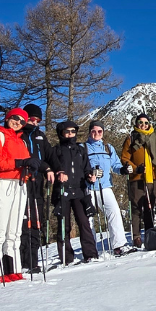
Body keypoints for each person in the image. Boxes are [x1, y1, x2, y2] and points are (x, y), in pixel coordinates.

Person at [0, 108, 47, 283]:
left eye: (22, 121)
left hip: (20, 184)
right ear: (8, 118)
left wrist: (31, 170)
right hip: (2, 183)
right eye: (15, 118)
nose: (18, 122)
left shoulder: (20, 140)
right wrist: (20, 163)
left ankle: (13, 270)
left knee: (14, 231)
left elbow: (28, 160)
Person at [50, 120, 98, 264]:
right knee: (64, 224)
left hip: (79, 190)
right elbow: (51, 168)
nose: (70, 134)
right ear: (61, 133)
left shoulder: (81, 149)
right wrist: (58, 173)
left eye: (73, 131)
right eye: (67, 131)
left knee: (84, 222)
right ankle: (66, 257)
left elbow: (86, 168)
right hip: (62, 191)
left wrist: (90, 176)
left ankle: (90, 254)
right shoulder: (56, 150)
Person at [85, 120, 136, 256]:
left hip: (105, 186)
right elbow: (80, 167)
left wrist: (123, 170)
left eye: (99, 131)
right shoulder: (84, 148)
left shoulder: (108, 148)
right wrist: (89, 174)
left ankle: (119, 245)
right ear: (89, 132)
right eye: (93, 131)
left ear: (103, 132)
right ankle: (91, 250)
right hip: (88, 187)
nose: (96, 134)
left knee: (114, 213)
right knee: (89, 218)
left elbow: (115, 165)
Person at [120, 113, 156, 248]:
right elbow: (125, 158)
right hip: (137, 178)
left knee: (150, 207)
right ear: (136, 124)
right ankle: (136, 237)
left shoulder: (155, 138)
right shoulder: (131, 138)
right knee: (136, 208)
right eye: (140, 122)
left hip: (153, 177)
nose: (143, 125)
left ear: (149, 124)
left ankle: (150, 233)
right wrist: (135, 169)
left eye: (146, 123)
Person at [19, 104, 56, 272]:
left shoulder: (40, 136)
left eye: (37, 120)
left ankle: (33, 259)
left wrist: (53, 169)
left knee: (36, 220)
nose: (34, 123)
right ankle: (22, 260)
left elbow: (50, 156)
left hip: (38, 183)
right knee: (23, 222)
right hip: (21, 182)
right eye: (31, 119)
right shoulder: (18, 135)